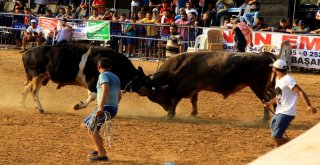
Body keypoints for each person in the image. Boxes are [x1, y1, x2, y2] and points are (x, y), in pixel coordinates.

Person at [264, 59, 317, 147]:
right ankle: (292, 147)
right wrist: (269, 103)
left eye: (273, 67)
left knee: (276, 137)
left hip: (286, 112)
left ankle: (293, 147)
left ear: (276, 69)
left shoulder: (288, 79)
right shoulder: (278, 79)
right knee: (275, 136)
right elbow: (279, 96)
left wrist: (308, 105)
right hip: (279, 111)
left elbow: (300, 91)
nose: (272, 68)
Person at [82, 58, 121, 161]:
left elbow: (106, 89)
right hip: (112, 107)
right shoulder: (116, 78)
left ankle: (102, 154)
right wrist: (114, 105)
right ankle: (97, 148)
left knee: (90, 128)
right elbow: (119, 95)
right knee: (85, 124)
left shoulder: (103, 75)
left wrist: (101, 106)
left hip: (105, 107)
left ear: (98, 67)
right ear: (110, 67)